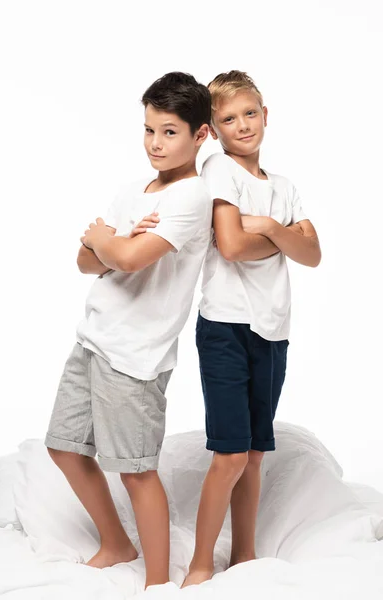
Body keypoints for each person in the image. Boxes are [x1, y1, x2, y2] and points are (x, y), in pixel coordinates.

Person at [44, 71, 212, 589]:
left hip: (135, 356)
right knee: (65, 447)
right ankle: (116, 544)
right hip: (93, 338)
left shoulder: (192, 197)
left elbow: (131, 259)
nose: (155, 144)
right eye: (148, 130)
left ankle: (157, 583)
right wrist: (108, 245)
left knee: (137, 469)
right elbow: (83, 261)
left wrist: (108, 242)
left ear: (200, 135)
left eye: (169, 132)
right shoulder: (132, 189)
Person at [182, 70, 322, 586]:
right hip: (226, 326)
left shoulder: (283, 188)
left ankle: (243, 555)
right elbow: (232, 246)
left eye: (250, 113)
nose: (242, 125)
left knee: (256, 453)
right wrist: (280, 235)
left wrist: (264, 225)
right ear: (214, 130)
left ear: (265, 114)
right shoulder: (219, 168)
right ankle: (200, 563)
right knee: (231, 453)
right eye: (228, 119)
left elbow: (313, 255)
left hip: (273, 329)